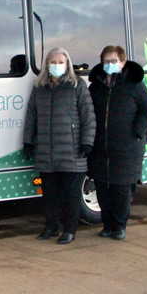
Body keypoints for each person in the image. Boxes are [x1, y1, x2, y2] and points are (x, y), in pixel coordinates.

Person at [23, 47, 96, 244]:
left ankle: (70, 230)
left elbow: (88, 117)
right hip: (46, 151)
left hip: (72, 153)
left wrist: (87, 142)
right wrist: (28, 141)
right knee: (50, 195)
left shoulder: (77, 86)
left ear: (67, 64)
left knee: (70, 196)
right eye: (52, 62)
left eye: (60, 62)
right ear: (47, 65)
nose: (56, 66)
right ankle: (51, 227)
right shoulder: (39, 88)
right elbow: (32, 116)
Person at [87, 45, 147, 240]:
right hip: (100, 147)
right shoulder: (96, 86)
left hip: (127, 148)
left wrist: (137, 131)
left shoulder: (134, 85)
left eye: (113, 61)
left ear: (123, 63)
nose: (109, 64)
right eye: (106, 61)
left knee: (121, 189)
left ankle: (119, 227)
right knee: (102, 189)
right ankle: (107, 226)